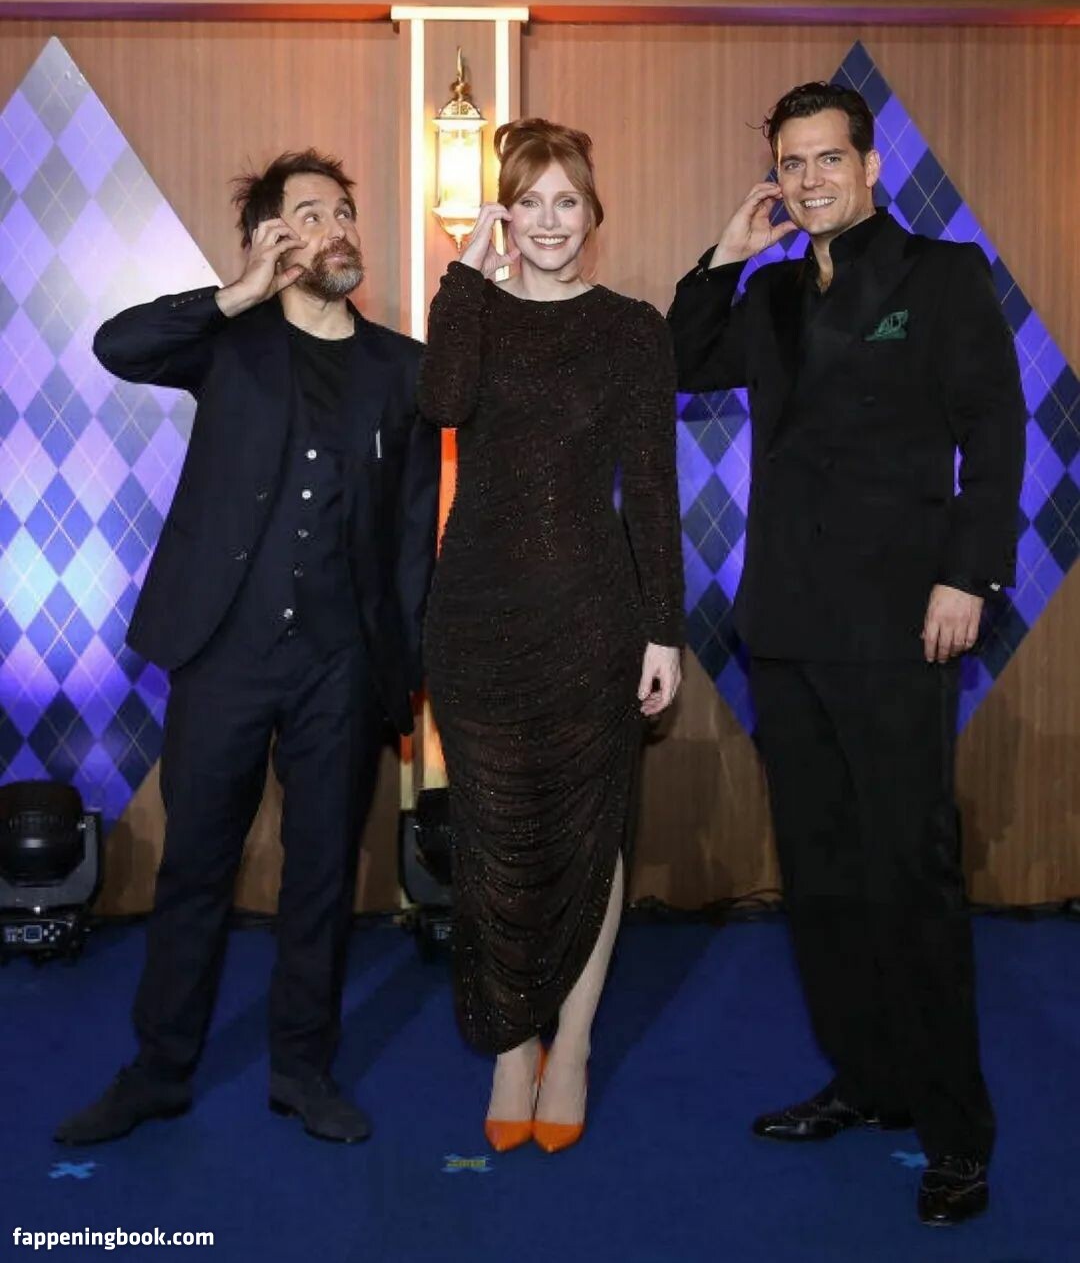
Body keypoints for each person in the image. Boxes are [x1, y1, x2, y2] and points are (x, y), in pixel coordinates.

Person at [669, 82, 1025, 1225]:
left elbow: (996, 431)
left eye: (830, 158)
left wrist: (969, 575)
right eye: (793, 162)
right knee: (820, 875)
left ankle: (955, 1131)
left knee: (909, 874)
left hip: (900, 623)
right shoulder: (770, 295)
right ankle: (868, 1081)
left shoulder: (941, 277)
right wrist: (726, 256)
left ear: (872, 166)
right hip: (784, 624)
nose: (812, 178)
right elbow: (677, 360)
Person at [54, 150, 439, 1146]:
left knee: (322, 876)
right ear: (269, 237)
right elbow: (117, 344)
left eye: (343, 211)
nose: (335, 227)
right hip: (223, 650)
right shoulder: (229, 340)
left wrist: (402, 674)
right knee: (195, 867)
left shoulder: (402, 369)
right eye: (308, 214)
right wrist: (236, 292)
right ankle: (159, 1071)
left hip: (342, 665)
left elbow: (409, 535)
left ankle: (303, 1071)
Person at [418, 118, 684, 1154]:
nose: (548, 220)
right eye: (528, 201)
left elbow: (651, 491)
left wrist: (663, 630)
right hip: (475, 620)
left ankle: (570, 1043)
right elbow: (443, 402)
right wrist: (464, 274)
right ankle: (508, 1043)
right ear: (504, 213)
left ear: (593, 212)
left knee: (588, 833)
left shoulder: (631, 330)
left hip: (591, 617)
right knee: (492, 837)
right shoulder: (473, 310)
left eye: (566, 200)